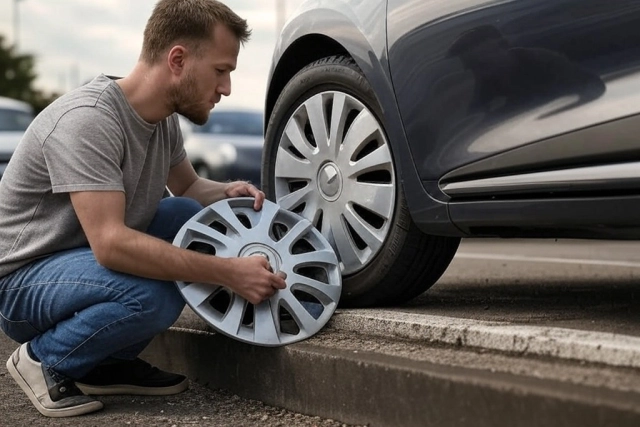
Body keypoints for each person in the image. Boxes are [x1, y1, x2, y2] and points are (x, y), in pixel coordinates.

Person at [0, 0, 287, 418]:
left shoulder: (161, 119)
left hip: (80, 265)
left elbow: (187, 186)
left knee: (184, 213)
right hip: (24, 283)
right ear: (177, 60)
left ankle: (104, 362)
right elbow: (112, 246)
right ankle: (46, 359)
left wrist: (228, 191)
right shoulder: (89, 120)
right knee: (154, 293)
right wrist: (229, 273)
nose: (225, 88)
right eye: (221, 71)